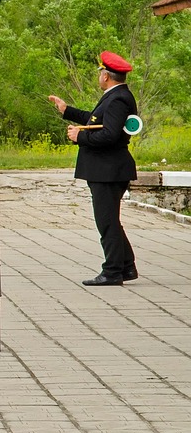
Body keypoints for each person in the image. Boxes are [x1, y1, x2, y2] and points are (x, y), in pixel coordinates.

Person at [48, 51, 139, 286]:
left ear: (106, 75)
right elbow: (96, 120)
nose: (99, 76)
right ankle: (126, 267)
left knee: (106, 221)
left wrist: (80, 138)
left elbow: (109, 135)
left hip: (109, 170)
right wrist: (67, 110)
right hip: (106, 169)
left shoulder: (118, 99)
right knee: (111, 220)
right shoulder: (116, 96)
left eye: (100, 72)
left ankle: (112, 271)